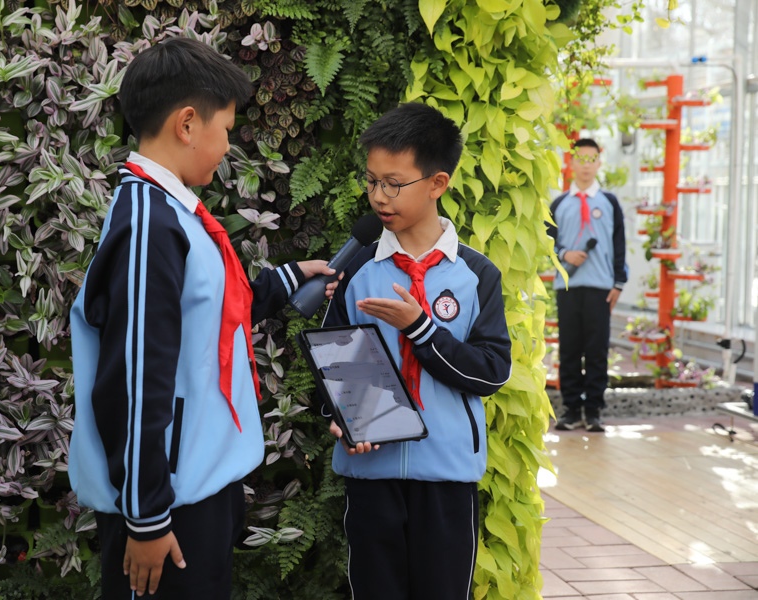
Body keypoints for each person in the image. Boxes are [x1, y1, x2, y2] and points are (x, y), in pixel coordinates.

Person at [67, 37, 340, 599]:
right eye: (227, 129)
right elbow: (136, 376)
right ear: (188, 124)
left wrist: (286, 281)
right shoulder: (149, 226)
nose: (228, 146)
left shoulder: (168, 212)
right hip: (167, 507)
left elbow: (208, 313)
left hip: (194, 491)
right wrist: (146, 517)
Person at [321, 102, 512, 600]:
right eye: (371, 181)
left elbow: (491, 372)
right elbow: (334, 364)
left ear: (437, 184)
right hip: (371, 476)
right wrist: (343, 418)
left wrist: (421, 329)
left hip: (446, 477)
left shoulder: (476, 275)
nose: (378, 197)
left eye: (393, 184)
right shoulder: (356, 270)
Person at [547, 138, 627, 432]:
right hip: (568, 286)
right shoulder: (559, 204)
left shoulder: (610, 202)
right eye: (580, 158)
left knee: (596, 350)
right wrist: (564, 254)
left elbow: (619, 244)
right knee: (569, 349)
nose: (586, 165)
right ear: (570, 162)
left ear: (599, 163)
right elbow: (548, 243)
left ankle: (593, 411)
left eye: (591, 159)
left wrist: (619, 282)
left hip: (600, 287)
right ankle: (571, 409)